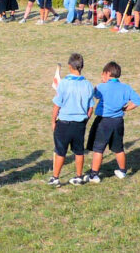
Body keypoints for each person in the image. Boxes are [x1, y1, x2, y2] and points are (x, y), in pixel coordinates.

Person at [85, 61, 140, 182]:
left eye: (102, 75)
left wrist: (97, 86)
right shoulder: (126, 88)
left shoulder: (102, 87)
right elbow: (137, 101)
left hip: (103, 121)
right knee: (118, 147)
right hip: (118, 121)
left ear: (108, 73)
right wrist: (125, 108)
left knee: (98, 148)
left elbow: (93, 94)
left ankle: (94, 174)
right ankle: (122, 171)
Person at [48, 54, 94, 187]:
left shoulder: (64, 84)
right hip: (79, 124)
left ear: (69, 66)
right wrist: (85, 120)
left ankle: (55, 177)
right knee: (79, 151)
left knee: (60, 151)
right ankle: (79, 176)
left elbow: (57, 105)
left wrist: (53, 121)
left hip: (64, 123)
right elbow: (90, 107)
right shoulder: (88, 85)